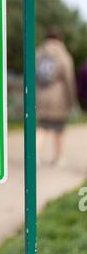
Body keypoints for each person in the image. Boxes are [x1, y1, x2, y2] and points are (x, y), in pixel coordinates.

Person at [36, 27, 76, 166]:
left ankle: (35, 156)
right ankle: (58, 158)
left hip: (40, 95)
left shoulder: (38, 53)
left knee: (41, 127)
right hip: (59, 98)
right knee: (59, 128)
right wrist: (72, 101)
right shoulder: (63, 55)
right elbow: (69, 79)